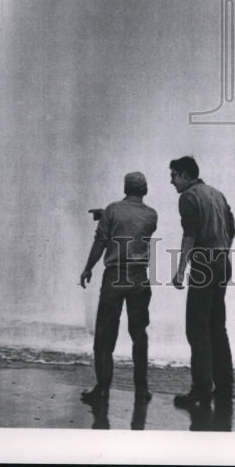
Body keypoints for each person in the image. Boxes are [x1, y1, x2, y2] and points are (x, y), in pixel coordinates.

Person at [79, 171, 157, 405]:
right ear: (145, 190)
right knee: (139, 335)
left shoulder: (112, 210)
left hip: (115, 277)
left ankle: (102, 390)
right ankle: (141, 390)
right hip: (139, 279)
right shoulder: (152, 215)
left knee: (104, 336)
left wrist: (88, 268)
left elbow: (102, 241)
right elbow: (134, 227)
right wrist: (108, 217)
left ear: (125, 189)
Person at [170, 155, 235, 410]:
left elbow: (190, 234)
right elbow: (232, 228)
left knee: (196, 329)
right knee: (217, 327)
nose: (172, 181)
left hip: (204, 265)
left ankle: (200, 390)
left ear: (186, 175)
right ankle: (225, 386)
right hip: (223, 263)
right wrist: (222, 251)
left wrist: (180, 270)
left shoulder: (188, 197)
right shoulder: (217, 194)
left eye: (174, 175)